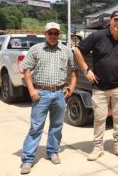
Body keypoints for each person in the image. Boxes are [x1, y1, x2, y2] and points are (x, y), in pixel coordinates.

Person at [74, 11, 118, 161]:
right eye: (116, 19)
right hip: (99, 86)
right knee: (99, 118)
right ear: (110, 21)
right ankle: (97, 147)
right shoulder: (97, 36)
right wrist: (86, 70)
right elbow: (77, 50)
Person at [19, 22, 78, 174]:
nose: (53, 36)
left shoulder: (66, 51)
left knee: (57, 126)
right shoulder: (36, 49)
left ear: (59, 35)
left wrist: (71, 87)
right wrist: (31, 89)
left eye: (55, 33)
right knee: (36, 127)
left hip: (59, 94)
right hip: (41, 94)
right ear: (45, 34)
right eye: (50, 33)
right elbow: (26, 69)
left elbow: (74, 71)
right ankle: (27, 159)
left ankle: (52, 151)